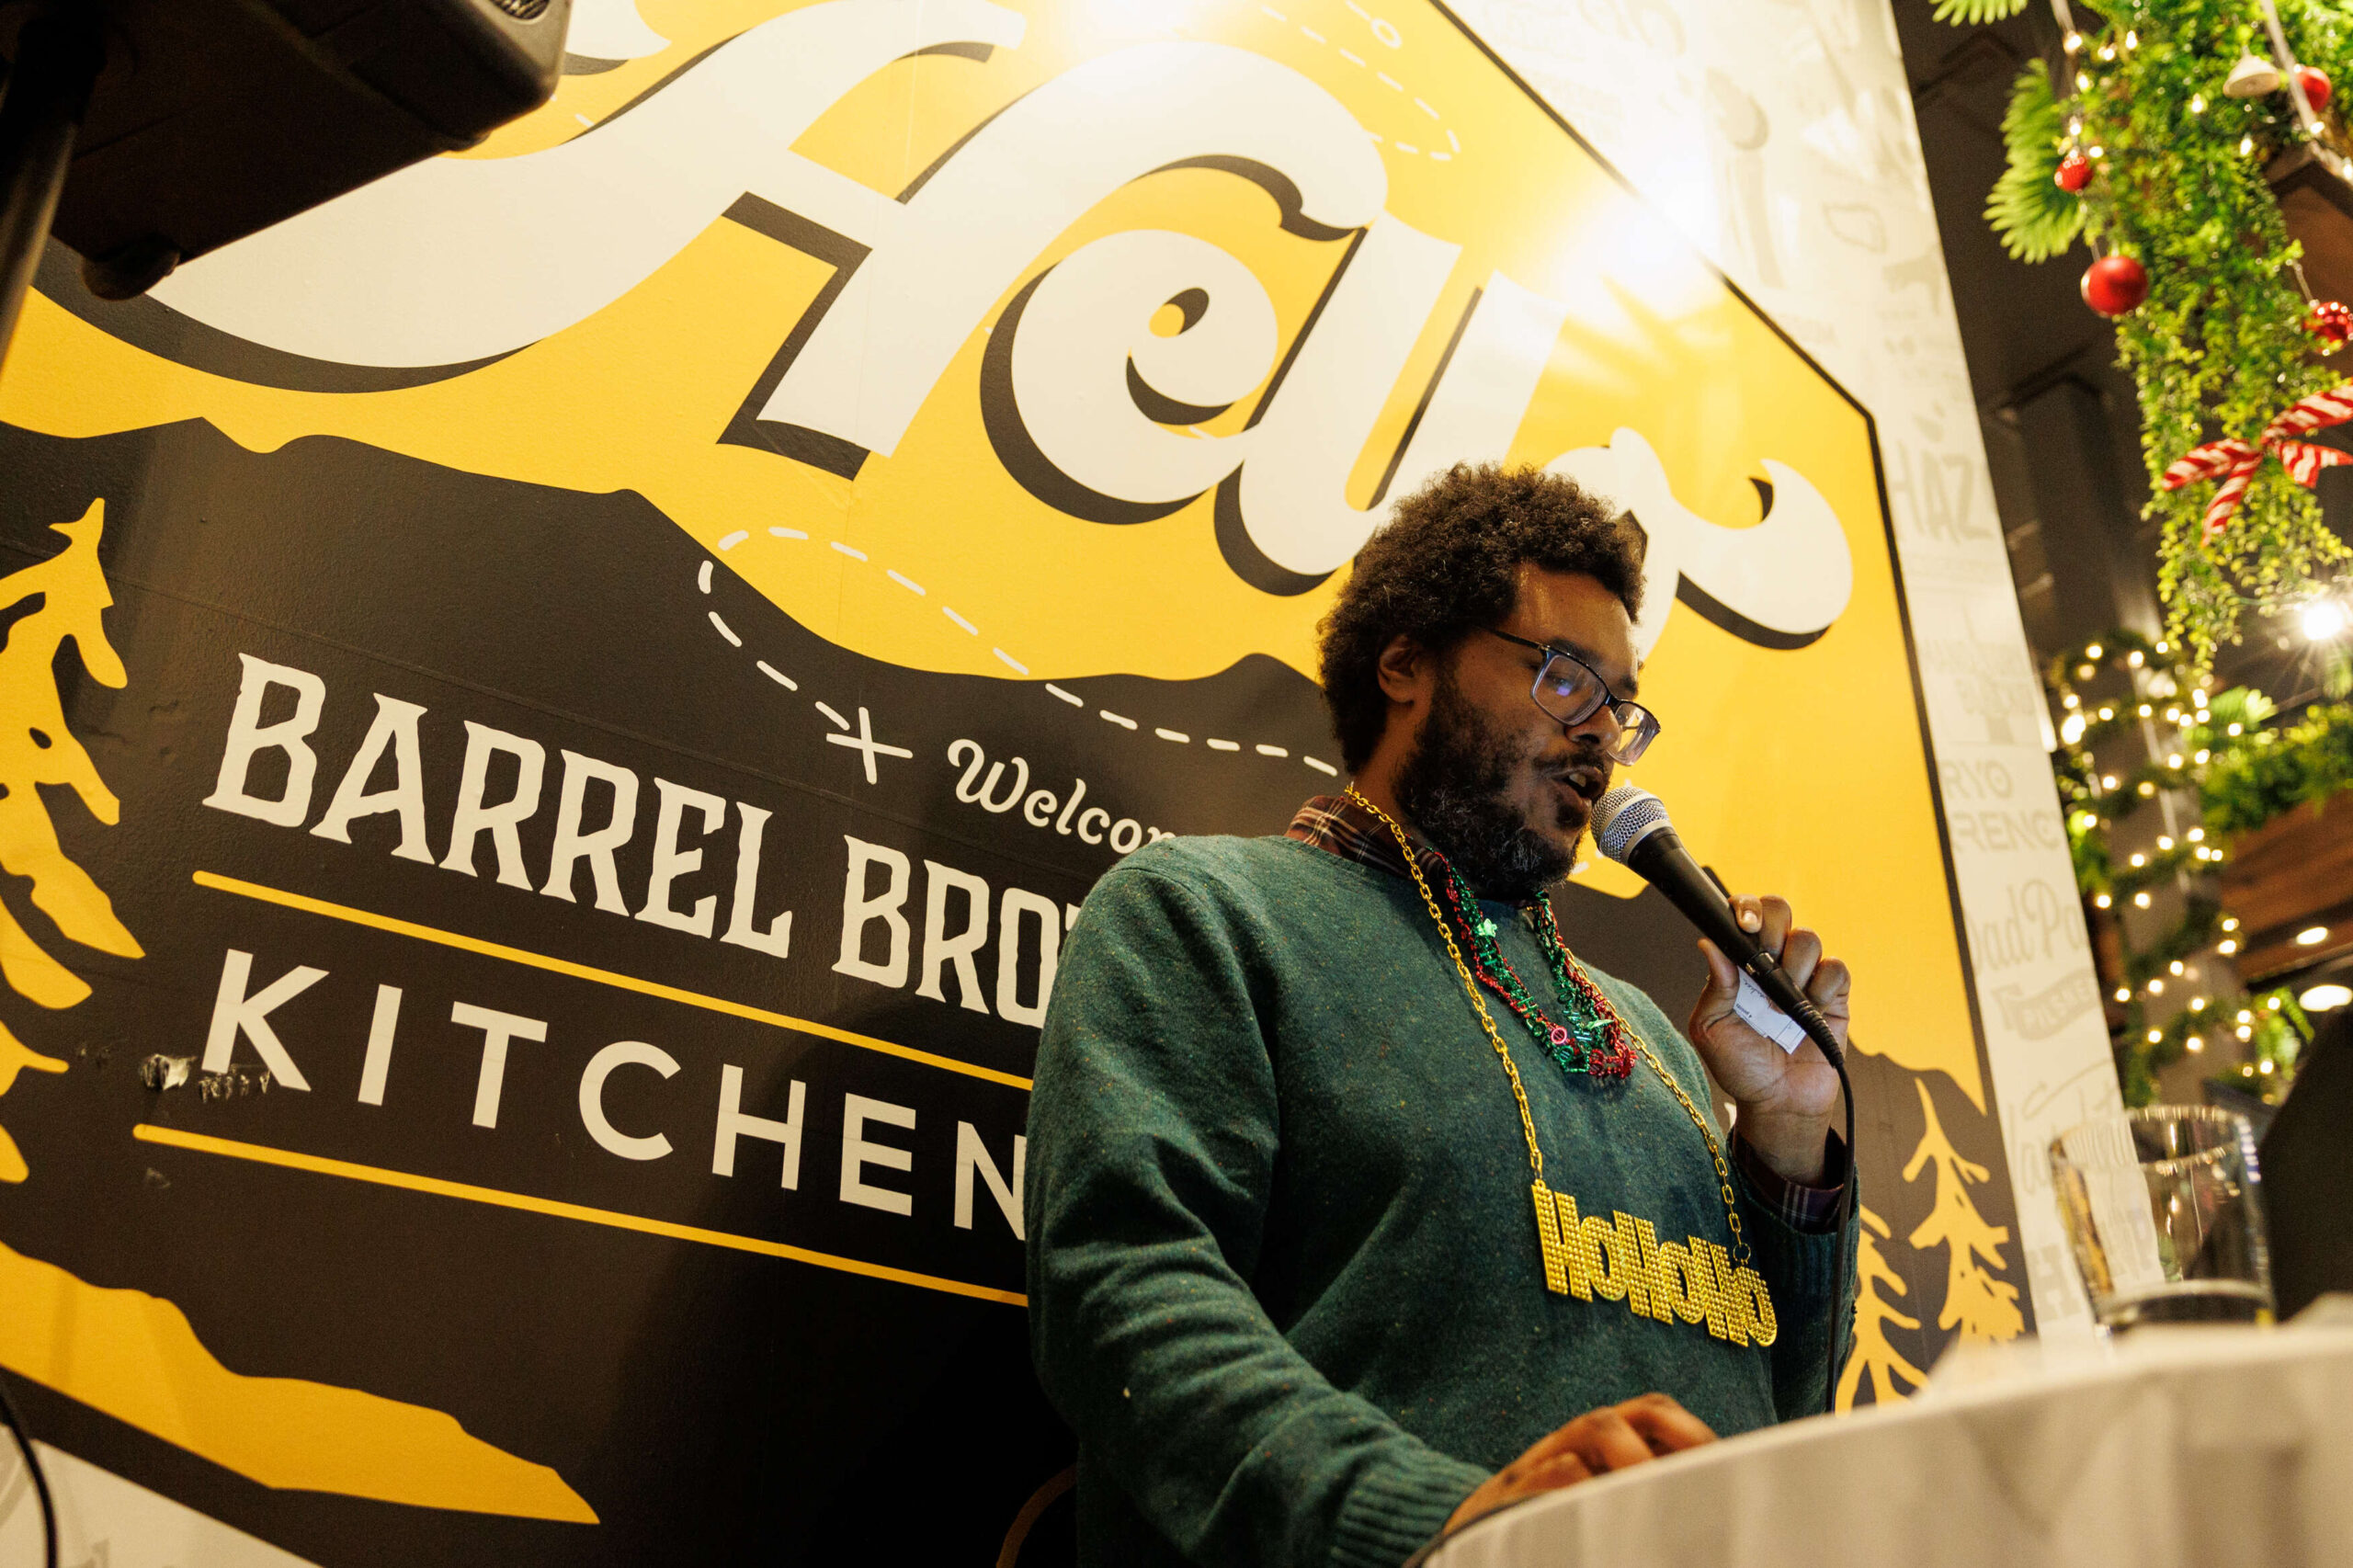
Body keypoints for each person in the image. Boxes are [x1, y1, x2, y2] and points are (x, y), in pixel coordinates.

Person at [1025, 462, 1859, 1568]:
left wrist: (1793, 1143)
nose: (1602, 734)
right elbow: (1120, 1292)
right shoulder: (1206, 914)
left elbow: (1775, 1401)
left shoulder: (1657, 1036)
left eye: (1622, 704)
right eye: (1565, 678)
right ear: (1405, 659)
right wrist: (1438, 1523)